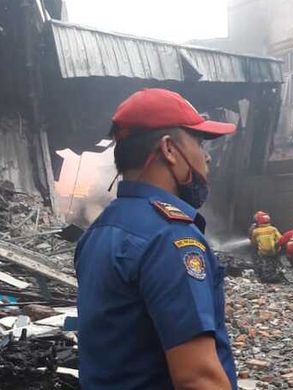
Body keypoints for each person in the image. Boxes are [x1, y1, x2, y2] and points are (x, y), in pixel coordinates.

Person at [74, 88, 237, 389]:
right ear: (169, 149)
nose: (206, 159)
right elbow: (197, 378)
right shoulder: (171, 237)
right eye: (200, 143)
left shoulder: (99, 232)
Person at [250, 212, 283, 282]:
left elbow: (254, 242)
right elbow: (280, 239)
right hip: (275, 251)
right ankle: (276, 273)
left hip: (263, 252)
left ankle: (263, 275)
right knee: (275, 263)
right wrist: (277, 246)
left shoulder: (255, 231)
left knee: (264, 263)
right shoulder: (273, 229)